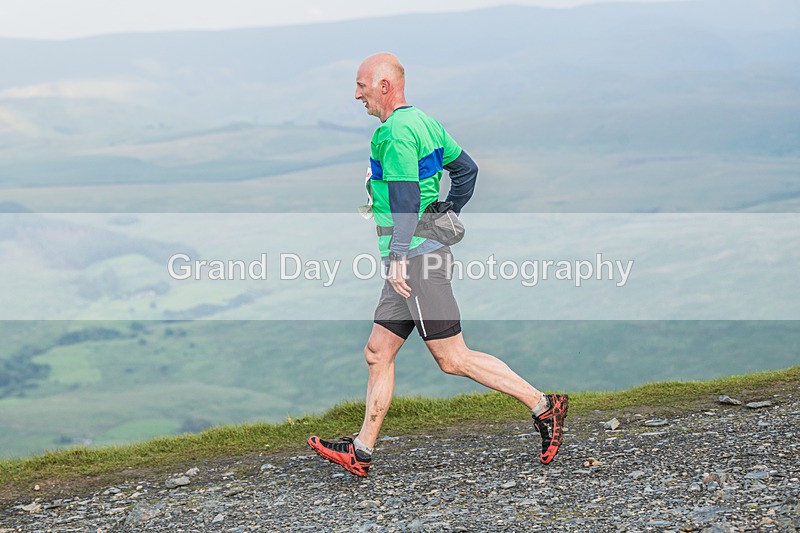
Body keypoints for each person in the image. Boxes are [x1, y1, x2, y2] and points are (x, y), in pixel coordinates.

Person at [308, 53, 567, 477]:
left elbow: (407, 199)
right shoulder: (425, 123)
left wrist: (398, 255)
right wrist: (448, 213)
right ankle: (362, 450)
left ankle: (544, 406)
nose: (357, 95)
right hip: (414, 256)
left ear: (386, 86)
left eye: (362, 86)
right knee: (377, 352)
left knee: (452, 357)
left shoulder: (392, 134)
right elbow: (467, 171)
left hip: (415, 262)